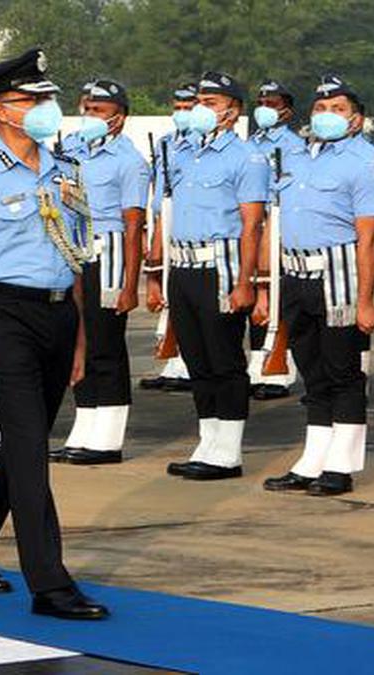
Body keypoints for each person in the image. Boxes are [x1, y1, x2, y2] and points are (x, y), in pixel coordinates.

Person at [0, 48, 108, 620]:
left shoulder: (64, 171)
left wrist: (79, 336)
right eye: (33, 100)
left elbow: (73, 255)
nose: (45, 109)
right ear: (3, 110)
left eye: (45, 99)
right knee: (32, 449)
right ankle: (50, 585)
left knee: (21, 444)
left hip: (57, 313)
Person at [259, 74, 374, 497]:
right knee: (311, 372)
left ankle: (342, 464)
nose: (327, 116)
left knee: (342, 372)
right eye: (320, 108)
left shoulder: (366, 161)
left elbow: (368, 237)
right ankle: (313, 458)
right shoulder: (297, 157)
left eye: (337, 110)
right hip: (295, 273)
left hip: (338, 274)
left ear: (356, 119)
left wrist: (366, 300)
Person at [153, 71, 266, 481]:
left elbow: (252, 224)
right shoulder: (182, 153)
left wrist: (245, 282)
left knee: (223, 359)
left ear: (233, 112)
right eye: (200, 100)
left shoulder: (246, 157)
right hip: (182, 267)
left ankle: (229, 450)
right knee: (197, 360)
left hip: (220, 265)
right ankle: (208, 442)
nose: (203, 108)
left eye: (213, 102)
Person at [57, 79, 149, 465]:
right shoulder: (73, 150)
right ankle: (86, 425)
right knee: (78, 342)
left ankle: (108, 436)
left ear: (118, 118)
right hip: (75, 252)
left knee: (105, 345)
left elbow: (133, 227)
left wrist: (130, 285)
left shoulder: (129, 161)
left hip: (109, 252)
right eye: (88, 107)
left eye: (99, 110)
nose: (90, 115)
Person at [246, 79, 304, 401]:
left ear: (287, 110)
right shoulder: (251, 142)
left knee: (277, 296)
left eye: (272, 103)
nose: (265, 107)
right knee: (256, 295)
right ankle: (258, 365)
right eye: (261, 101)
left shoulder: (293, 146)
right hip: (253, 225)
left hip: (277, 222)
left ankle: (280, 370)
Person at [140, 81, 198, 393]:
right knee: (165, 295)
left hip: (185, 222)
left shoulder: (198, 146)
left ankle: (188, 364)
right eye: (178, 108)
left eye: (189, 108)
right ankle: (174, 362)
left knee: (183, 296)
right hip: (161, 218)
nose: (182, 114)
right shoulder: (165, 142)